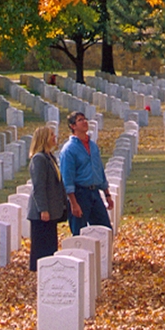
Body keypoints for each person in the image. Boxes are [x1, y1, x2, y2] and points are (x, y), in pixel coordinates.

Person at [59, 110, 113, 235]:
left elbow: (99, 170)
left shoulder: (93, 146)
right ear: (73, 126)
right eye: (80, 120)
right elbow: (67, 177)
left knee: (105, 231)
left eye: (84, 119)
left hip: (94, 192)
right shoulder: (69, 150)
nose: (84, 122)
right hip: (79, 194)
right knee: (79, 233)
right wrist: (73, 203)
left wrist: (107, 194)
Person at [27, 125, 66, 270]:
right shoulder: (39, 159)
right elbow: (39, 187)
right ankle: (40, 272)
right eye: (51, 135)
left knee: (50, 245)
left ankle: (49, 271)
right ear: (43, 138)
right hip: (41, 212)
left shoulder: (50, 157)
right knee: (41, 247)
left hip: (52, 209)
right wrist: (43, 209)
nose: (54, 137)